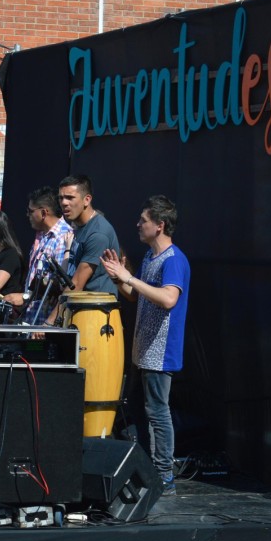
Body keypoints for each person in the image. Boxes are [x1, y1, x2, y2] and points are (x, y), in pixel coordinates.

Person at [100, 195, 190, 496]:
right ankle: (147, 467)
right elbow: (134, 295)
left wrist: (130, 279)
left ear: (160, 225)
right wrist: (118, 278)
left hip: (160, 351)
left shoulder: (174, 260)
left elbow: (168, 299)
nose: (138, 224)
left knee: (157, 411)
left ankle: (165, 474)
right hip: (143, 350)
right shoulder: (152, 258)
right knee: (137, 408)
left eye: (144, 220)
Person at [2, 187, 73, 324]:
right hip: (33, 319)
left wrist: (25, 297)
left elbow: (59, 287)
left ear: (43, 212)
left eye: (30, 211)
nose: (27, 215)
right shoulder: (42, 236)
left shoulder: (63, 237)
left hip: (47, 324)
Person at [55, 175, 121, 314]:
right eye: (61, 198)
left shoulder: (98, 233)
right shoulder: (79, 226)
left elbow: (77, 285)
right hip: (78, 309)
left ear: (87, 200)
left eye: (70, 197)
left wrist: (50, 323)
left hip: (95, 315)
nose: (64, 203)